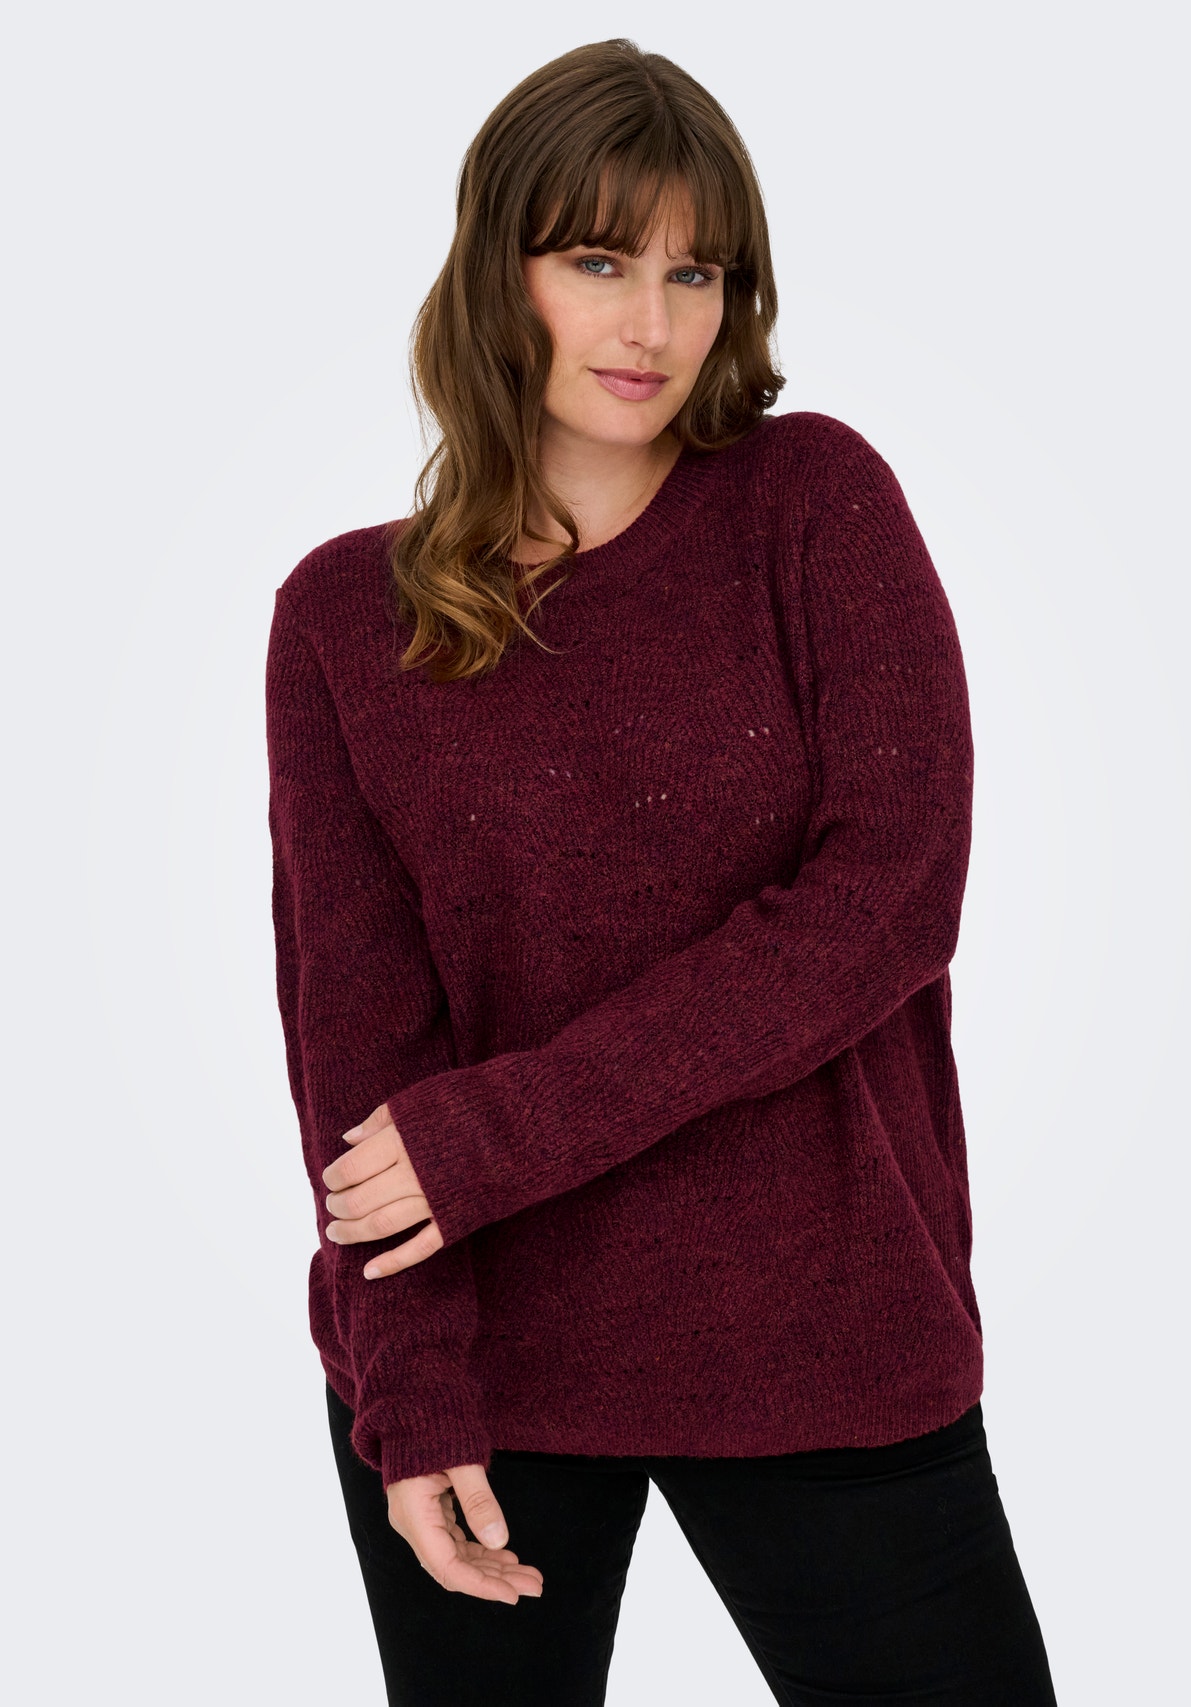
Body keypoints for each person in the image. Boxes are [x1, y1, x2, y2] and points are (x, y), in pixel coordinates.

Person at [264, 36, 1058, 1707]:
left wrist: (505, 1131)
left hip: (824, 1328)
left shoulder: (812, 503)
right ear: (500, 272)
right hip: (487, 1371)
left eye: (696, 273)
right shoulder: (346, 618)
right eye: (599, 261)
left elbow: (890, 898)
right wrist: (408, 1389)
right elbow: (359, 1052)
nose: (652, 325)